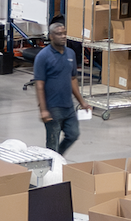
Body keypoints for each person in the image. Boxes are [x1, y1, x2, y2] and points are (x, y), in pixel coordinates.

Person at [33, 21, 89, 154]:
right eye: (59, 34)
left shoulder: (70, 54)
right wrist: (43, 110)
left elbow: (73, 79)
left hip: (68, 106)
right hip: (53, 108)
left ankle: (58, 158)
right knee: (52, 143)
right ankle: (52, 168)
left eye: (64, 33)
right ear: (51, 36)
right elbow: (39, 84)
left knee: (73, 134)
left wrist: (82, 102)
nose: (63, 36)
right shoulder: (43, 57)